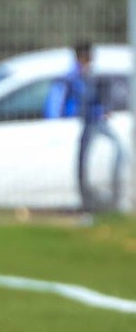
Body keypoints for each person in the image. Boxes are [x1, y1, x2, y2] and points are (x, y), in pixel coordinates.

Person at [45, 40, 123, 211]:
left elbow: (104, 96)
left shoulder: (96, 75)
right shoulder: (72, 78)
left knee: (114, 153)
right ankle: (87, 202)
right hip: (83, 123)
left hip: (95, 122)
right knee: (83, 164)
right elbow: (60, 104)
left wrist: (104, 110)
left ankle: (107, 200)